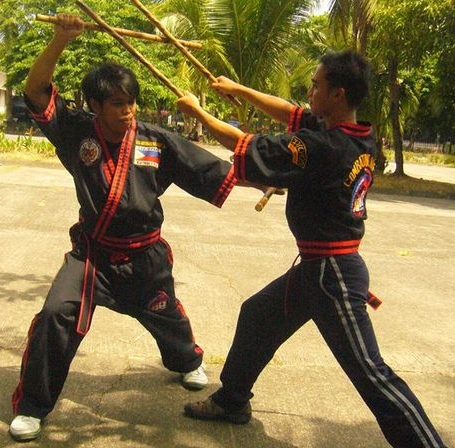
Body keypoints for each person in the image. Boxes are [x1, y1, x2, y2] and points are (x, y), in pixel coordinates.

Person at [8, 14, 267, 442]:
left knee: (167, 316)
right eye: (117, 104)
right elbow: (37, 91)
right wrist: (59, 41)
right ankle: (34, 406)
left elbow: (205, 167)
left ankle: (187, 362)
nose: (128, 111)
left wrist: (258, 177)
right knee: (56, 313)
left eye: (131, 102)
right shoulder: (75, 133)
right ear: (95, 106)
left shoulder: (154, 139)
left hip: (145, 256)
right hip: (92, 255)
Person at [176, 51, 447, 447]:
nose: (309, 90)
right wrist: (237, 89)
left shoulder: (323, 146)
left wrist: (198, 113)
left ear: (337, 94)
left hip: (332, 275)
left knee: (371, 372)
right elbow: (289, 111)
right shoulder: (358, 135)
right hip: (318, 268)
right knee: (257, 316)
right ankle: (233, 400)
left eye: (316, 85)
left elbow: (245, 144)